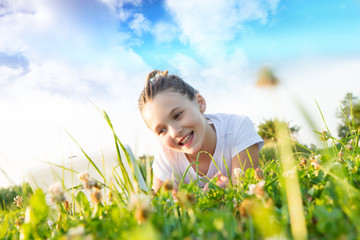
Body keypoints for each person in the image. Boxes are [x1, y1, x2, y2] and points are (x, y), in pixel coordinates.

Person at [138, 70, 264, 193]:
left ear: (200, 103)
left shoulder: (237, 127)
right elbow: (161, 205)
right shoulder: (166, 153)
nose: (175, 132)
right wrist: (202, 196)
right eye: (162, 130)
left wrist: (199, 198)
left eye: (178, 115)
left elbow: (244, 192)